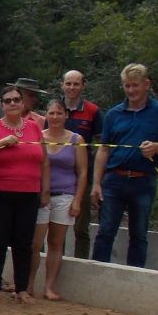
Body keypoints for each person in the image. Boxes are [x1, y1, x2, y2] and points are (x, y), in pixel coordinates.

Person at [91, 63, 158, 267]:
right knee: (105, 230)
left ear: (146, 84)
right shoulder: (114, 114)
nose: (131, 90)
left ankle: (135, 275)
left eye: (135, 85)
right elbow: (103, 150)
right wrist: (96, 184)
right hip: (114, 179)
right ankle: (97, 274)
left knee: (139, 233)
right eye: (127, 86)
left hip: (143, 181)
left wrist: (157, 147)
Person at [0, 85, 47, 303]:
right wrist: (1, 144)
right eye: (8, 100)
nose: (12, 103)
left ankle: (22, 288)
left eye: (16, 99)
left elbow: (44, 160)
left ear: (22, 102)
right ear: (2, 105)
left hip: (29, 193)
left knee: (24, 242)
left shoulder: (34, 127)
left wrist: (45, 190)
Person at [33, 98, 86, 299]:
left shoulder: (76, 139)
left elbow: (82, 172)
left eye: (59, 113)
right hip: (40, 196)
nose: (55, 117)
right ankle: (28, 284)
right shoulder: (38, 137)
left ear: (66, 115)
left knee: (56, 243)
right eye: (51, 113)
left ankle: (49, 286)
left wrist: (77, 200)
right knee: (35, 243)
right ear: (46, 115)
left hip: (65, 195)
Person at [61, 69, 103, 253]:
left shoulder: (93, 111)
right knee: (57, 227)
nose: (72, 87)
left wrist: (98, 178)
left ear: (83, 85)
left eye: (76, 84)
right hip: (58, 175)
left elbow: (103, 144)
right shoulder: (55, 109)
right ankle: (56, 261)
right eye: (68, 83)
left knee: (81, 227)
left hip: (84, 175)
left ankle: (81, 263)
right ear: (62, 85)